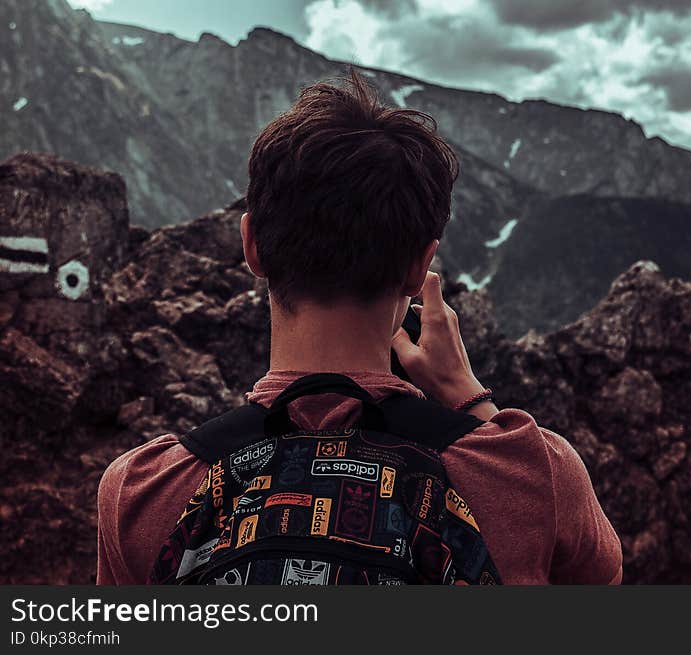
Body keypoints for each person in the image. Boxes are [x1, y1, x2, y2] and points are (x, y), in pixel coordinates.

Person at [96, 71, 622, 585]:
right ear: (421, 268)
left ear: (252, 246)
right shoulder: (528, 477)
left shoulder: (141, 491)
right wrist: (470, 400)